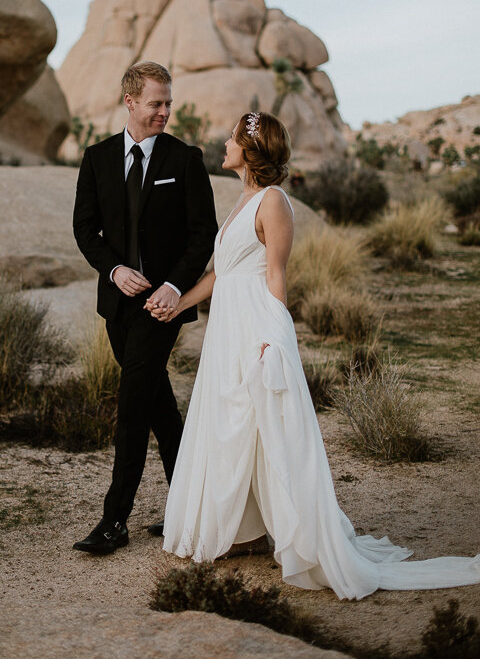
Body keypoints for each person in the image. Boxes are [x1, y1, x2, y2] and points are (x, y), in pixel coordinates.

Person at [149, 111, 480, 600]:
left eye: (233, 138)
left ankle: (286, 534)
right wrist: (179, 300)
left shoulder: (275, 202)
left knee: (264, 427)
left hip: (255, 327)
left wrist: (275, 337)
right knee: (230, 423)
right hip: (227, 331)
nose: (224, 142)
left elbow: (275, 275)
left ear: (251, 150)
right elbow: (224, 273)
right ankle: (241, 530)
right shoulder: (242, 199)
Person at [72, 61, 218, 555]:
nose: (165, 112)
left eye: (168, 103)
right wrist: (114, 270)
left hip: (164, 307)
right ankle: (190, 505)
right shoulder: (96, 158)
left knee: (133, 406)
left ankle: (115, 521)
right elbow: (84, 229)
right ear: (130, 102)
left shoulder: (186, 159)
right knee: (159, 406)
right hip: (118, 304)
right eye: (156, 103)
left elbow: (203, 234)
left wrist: (176, 287)